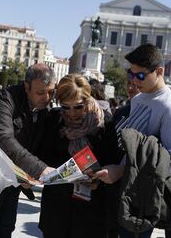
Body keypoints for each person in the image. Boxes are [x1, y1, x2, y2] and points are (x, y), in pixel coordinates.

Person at [95, 43, 171, 238]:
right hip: (120, 190)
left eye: (141, 75)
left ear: (159, 71)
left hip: (140, 199)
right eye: (131, 73)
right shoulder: (140, 98)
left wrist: (121, 171)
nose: (134, 81)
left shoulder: (170, 107)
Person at [0, 63, 56, 238]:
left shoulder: (44, 108)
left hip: (15, 181)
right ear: (26, 86)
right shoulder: (4, 99)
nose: (47, 98)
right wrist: (38, 169)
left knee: (6, 229)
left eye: (51, 92)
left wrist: (29, 174)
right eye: (40, 92)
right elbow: (3, 138)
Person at [38, 74, 123, 238]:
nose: (71, 113)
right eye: (65, 106)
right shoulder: (54, 120)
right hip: (57, 209)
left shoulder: (104, 123)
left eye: (78, 107)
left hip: (91, 210)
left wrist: (99, 178)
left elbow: (113, 161)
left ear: (88, 100)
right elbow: (43, 156)